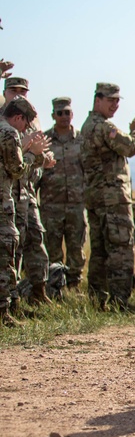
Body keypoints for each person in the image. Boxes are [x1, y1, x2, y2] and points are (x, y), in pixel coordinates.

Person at [79, 82, 135, 310]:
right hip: (112, 199)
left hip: (96, 198)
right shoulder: (102, 127)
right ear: (97, 99)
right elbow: (129, 146)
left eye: (118, 101)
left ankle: (97, 301)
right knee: (121, 247)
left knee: (100, 250)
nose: (115, 105)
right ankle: (121, 301)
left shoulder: (86, 126)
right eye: (111, 101)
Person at [5, 77, 54, 305]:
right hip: (8, 191)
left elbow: (39, 154)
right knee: (10, 244)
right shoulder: (7, 124)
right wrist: (27, 148)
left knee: (34, 238)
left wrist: (41, 157)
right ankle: (11, 299)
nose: (19, 95)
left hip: (26, 189)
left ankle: (37, 292)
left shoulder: (32, 122)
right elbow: (14, 161)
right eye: (14, 90)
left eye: (23, 91)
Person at [38, 97, 88, 289]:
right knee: (52, 250)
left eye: (67, 112)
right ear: (53, 115)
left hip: (76, 204)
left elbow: (88, 169)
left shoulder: (82, 140)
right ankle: (54, 288)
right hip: (52, 206)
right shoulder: (45, 141)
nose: (64, 116)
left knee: (77, 249)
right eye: (60, 113)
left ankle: (74, 287)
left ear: (72, 115)